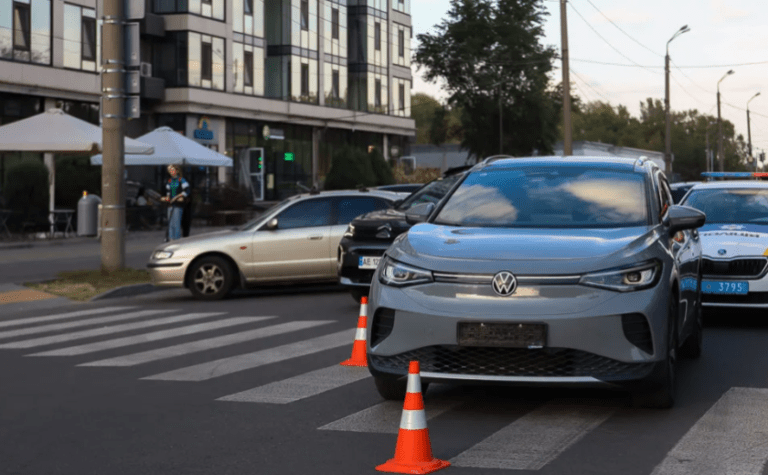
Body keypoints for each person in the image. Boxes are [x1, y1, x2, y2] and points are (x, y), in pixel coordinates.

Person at [161, 164, 189, 240]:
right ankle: (170, 239)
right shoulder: (169, 181)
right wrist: (166, 198)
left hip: (178, 205)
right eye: (169, 170)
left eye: (172, 170)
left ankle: (176, 240)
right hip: (170, 205)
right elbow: (168, 192)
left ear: (176, 170)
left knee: (176, 223)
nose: (171, 172)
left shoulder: (181, 180)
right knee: (170, 224)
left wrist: (177, 197)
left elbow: (187, 191)